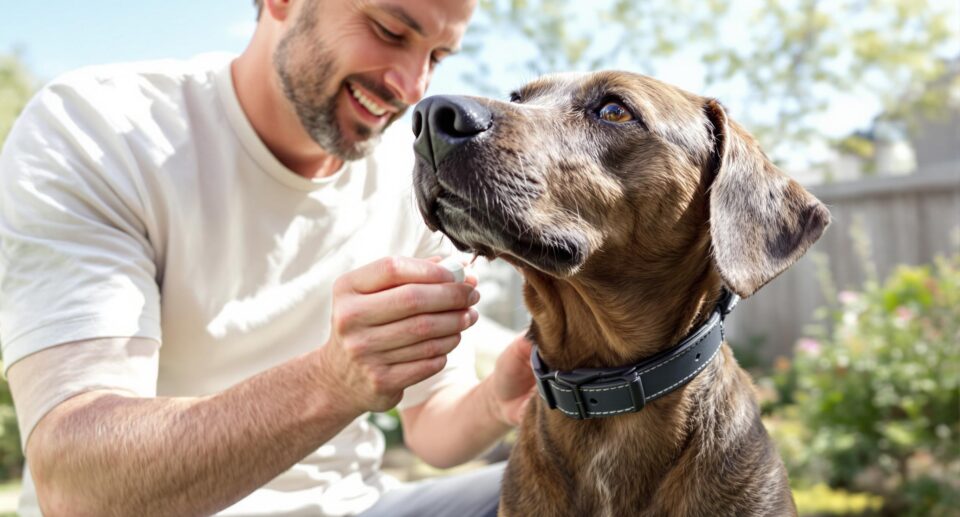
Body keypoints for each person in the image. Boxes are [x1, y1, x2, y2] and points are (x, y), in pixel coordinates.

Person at [0, 0, 536, 515]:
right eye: (390, 32)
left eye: (437, 56)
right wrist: (333, 380)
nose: (412, 86)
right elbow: (77, 488)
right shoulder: (98, 133)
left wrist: (496, 400)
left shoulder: (409, 180)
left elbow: (431, 429)